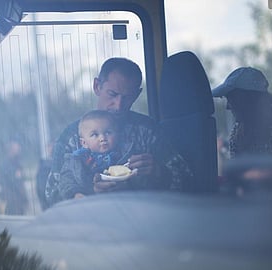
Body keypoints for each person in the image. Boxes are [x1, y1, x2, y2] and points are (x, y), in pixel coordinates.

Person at [47, 57, 191, 206]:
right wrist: (90, 191)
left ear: (137, 94)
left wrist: (160, 173)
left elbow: (188, 182)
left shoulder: (148, 131)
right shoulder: (72, 137)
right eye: (112, 94)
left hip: (144, 219)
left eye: (128, 97)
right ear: (97, 86)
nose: (119, 105)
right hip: (91, 224)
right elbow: (52, 193)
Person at [211, 67, 272, 159]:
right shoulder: (238, 132)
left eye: (232, 100)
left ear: (249, 100)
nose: (228, 107)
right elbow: (238, 169)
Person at [58, 110, 126, 199]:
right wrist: (75, 194)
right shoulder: (77, 160)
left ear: (117, 136)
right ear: (84, 143)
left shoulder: (124, 155)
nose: (102, 138)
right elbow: (66, 181)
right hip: (89, 203)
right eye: (95, 134)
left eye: (108, 132)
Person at [0, 139, 28, 215]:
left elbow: (21, 183)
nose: (18, 150)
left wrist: (25, 199)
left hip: (19, 201)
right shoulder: (4, 166)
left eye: (18, 149)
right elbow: (5, 183)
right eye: (16, 149)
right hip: (11, 202)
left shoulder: (18, 164)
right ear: (10, 150)